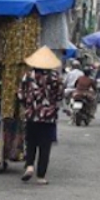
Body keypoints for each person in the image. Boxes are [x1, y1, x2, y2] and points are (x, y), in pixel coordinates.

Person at [19, 46, 64, 185]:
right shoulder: (55, 77)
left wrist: (28, 105)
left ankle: (30, 166)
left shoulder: (28, 76)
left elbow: (20, 94)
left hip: (31, 115)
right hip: (48, 117)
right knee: (45, 146)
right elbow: (60, 96)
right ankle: (41, 176)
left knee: (31, 142)